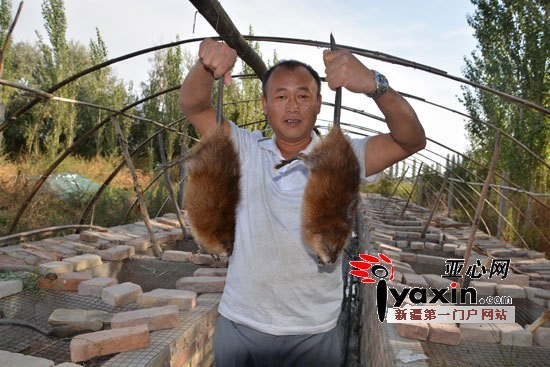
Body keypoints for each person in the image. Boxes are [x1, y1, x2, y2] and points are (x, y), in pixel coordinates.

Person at [178, 39, 425, 367]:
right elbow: (194, 106)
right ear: (264, 104)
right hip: (241, 327)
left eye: (303, 96)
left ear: (319, 104)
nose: (292, 106)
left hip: (312, 335)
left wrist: (375, 86)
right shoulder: (243, 150)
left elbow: (410, 140)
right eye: (281, 96)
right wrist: (206, 67)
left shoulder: (342, 157)